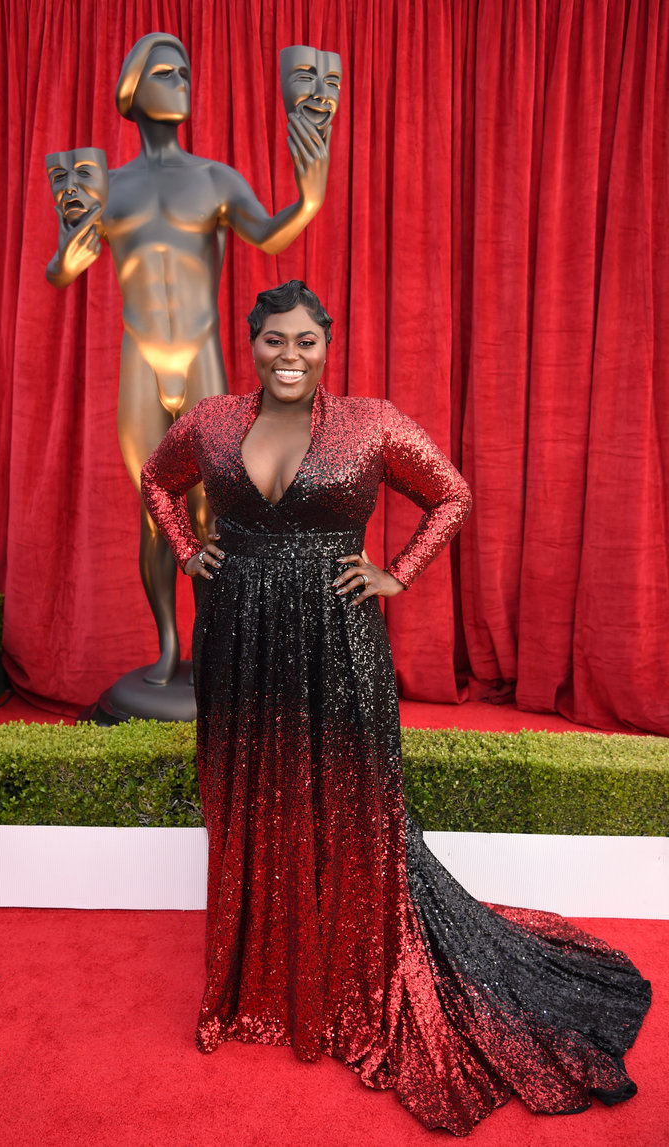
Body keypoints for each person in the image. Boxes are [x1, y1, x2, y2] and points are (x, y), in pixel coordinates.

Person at [140, 281, 651, 1137]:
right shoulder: (210, 419)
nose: (290, 355)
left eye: (306, 341)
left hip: (339, 648)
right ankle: (255, 985)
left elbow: (451, 493)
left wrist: (398, 572)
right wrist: (190, 552)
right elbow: (158, 483)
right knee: (245, 806)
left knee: (347, 810)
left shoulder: (372, 422)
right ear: (253, 341)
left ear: (326, 345)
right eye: (274, 341)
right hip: (237, 645)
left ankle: (344, 981)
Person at [46, 34, 333, 686]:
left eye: (185, 72)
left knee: (208, 513)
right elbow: (62, 268)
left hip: (199, 357)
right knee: (155, 511)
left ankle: (208, 646)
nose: (182, 82)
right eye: (166, 72)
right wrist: (67, 258)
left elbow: (269, 232)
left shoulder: (216, 179)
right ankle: (168, 644)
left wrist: (309, 200)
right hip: (141, 362)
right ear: (133, 91)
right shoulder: (108, 187)